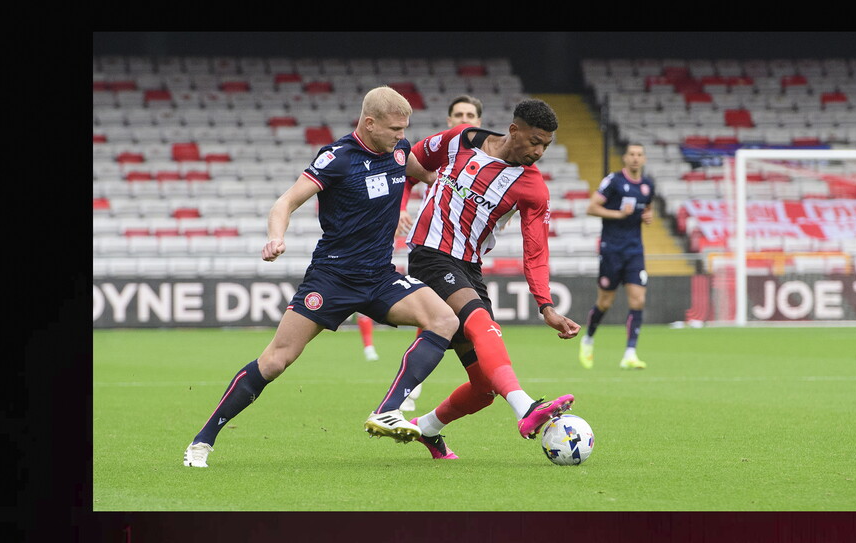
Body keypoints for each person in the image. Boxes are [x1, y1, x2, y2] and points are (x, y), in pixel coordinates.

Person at [183, 86, 459, 468]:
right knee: (277, 360)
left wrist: (440, 184)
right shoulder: (337, 158)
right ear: (369, 123)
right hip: (333, 278)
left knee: (445, 318)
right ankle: (203, 440)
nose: (402, 135)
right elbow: (285, 202)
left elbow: (420, 172)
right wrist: (275, 237)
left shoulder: (398, 149)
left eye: (404, 128)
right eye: (395, 128)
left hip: (379, 276)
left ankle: (389, 410)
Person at [401, 98, 581, 460]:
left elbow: (536, 251)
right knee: (482, 323)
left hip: (468, 268)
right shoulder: (461, 140)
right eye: (534, 141)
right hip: (431, 255)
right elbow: (408, 162)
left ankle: (426, 428)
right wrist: (401, 207)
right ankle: (527, 408)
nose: (539, 151)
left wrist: (546, 305)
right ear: (514, 130)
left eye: (546, 145)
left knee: (483, 388)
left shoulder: (533, 189)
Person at [395, 94, 483, 413]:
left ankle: (485, 382)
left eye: (469, 114)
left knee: (449, 321)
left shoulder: (494, 159)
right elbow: (405, 174)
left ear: (479, 122)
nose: (463, 119)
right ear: (449, 121)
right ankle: (410, 386)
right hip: (433, 248)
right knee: (439, 314)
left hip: (468, 255)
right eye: (457, 114)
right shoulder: (442, 152)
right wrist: (401, 209)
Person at [578, 143, 655, 370]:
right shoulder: (613, 181)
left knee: (638, 300)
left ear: (644, 159)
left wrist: (647, 216)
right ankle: (588, 339)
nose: (635, 158)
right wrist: (618, 214)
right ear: (624, 157)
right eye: (631, 154)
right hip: (611, 249)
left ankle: (630, 353)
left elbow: (647, 208)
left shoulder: (648, 185)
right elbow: (591, 208)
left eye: (639, 154)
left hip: (634, 250)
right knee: (605, 302)